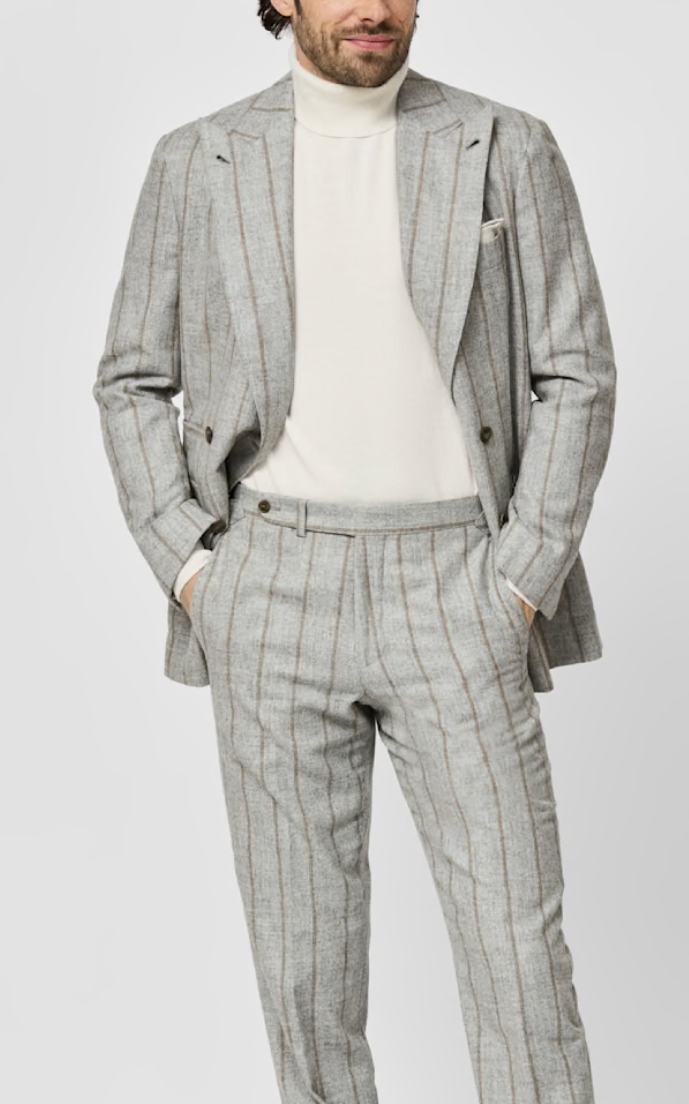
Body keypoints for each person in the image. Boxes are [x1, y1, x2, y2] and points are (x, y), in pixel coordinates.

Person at [93, 1, 617, 1100]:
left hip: (460, 582)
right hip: (270, 584)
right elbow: (132, 378)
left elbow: (575, 371)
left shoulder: (505, 145)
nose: (373, 7)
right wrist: (195, 570)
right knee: (304, 973)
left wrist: (523, 575)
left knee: (519, 959)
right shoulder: (199, 159)